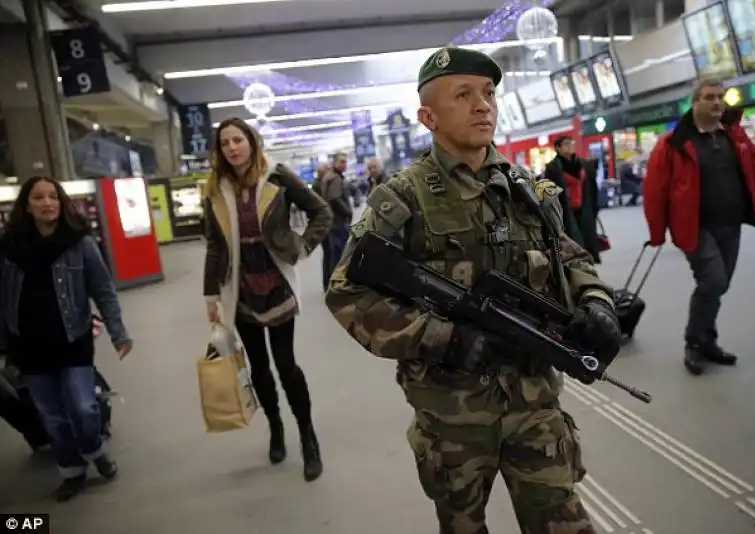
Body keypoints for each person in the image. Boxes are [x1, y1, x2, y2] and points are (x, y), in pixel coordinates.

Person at [325, 46, 620, 533]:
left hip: (534, 402)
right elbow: (348, 294)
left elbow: (572, 258)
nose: (483, 104)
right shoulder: (401, 199)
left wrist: (596, 302)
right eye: (463, 95)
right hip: (451, 412)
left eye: (488, 93)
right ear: (428, 117)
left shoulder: (530, 190)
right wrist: (442, 337)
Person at [202, 118, 332, 481]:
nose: (232, 147)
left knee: (286, 364)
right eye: (225, 142)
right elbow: (214, 244)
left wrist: (303, 245)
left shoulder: (276, 175)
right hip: (239, 289)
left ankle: (308, 437)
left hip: (275, 283)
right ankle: (276, 427)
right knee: (258, 367)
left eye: (237, 140)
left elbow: (321, 211)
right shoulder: (215, 188)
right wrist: (210, 293)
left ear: (251, 142)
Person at [644, 79, 755, 376]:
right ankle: (694, 343)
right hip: (694, 227)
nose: (717, 102)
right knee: (713, 281)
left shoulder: (735, 136)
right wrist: (657, 233)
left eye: (720, 97)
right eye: (709, 97)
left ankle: (707, 340)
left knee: (718, 285)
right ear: (695, 102)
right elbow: (655, 191)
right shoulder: (673, 143)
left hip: (730, 224)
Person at [0, 177, 131, 501]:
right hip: (29, 346)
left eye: (53, 197)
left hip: (73, 340)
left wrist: (118, 332)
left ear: (61, 203)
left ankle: (94, 449)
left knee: (84, 408)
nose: (47, 203)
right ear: (27, 206)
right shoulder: (9, 248)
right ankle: (72, 472)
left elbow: (102, 289)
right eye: (38, 198)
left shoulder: (79, 242)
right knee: (53, 418)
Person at [543, 135, 602, 262]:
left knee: (586, 237)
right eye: (566, 144)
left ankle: (588, 262)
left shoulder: (584, 165)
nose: (570, 146)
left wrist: (595, 207)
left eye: (571, 143)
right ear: (558, 148)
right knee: (573, 239)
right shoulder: (553, 168)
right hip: (565, 210)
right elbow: (549, 192)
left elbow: (592, 187)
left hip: (584, 208)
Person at [319, 153, 352, 289]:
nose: (344, 165)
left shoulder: (328, 177)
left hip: (330, 222)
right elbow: (335, 199)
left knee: (332, 255)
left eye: (345, 162)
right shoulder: (335, 178)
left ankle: (331, 284)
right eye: (341, 162)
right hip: (338, 222)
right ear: (334, 163)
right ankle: (338, 284)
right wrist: (347, 212)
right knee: (341, 255)